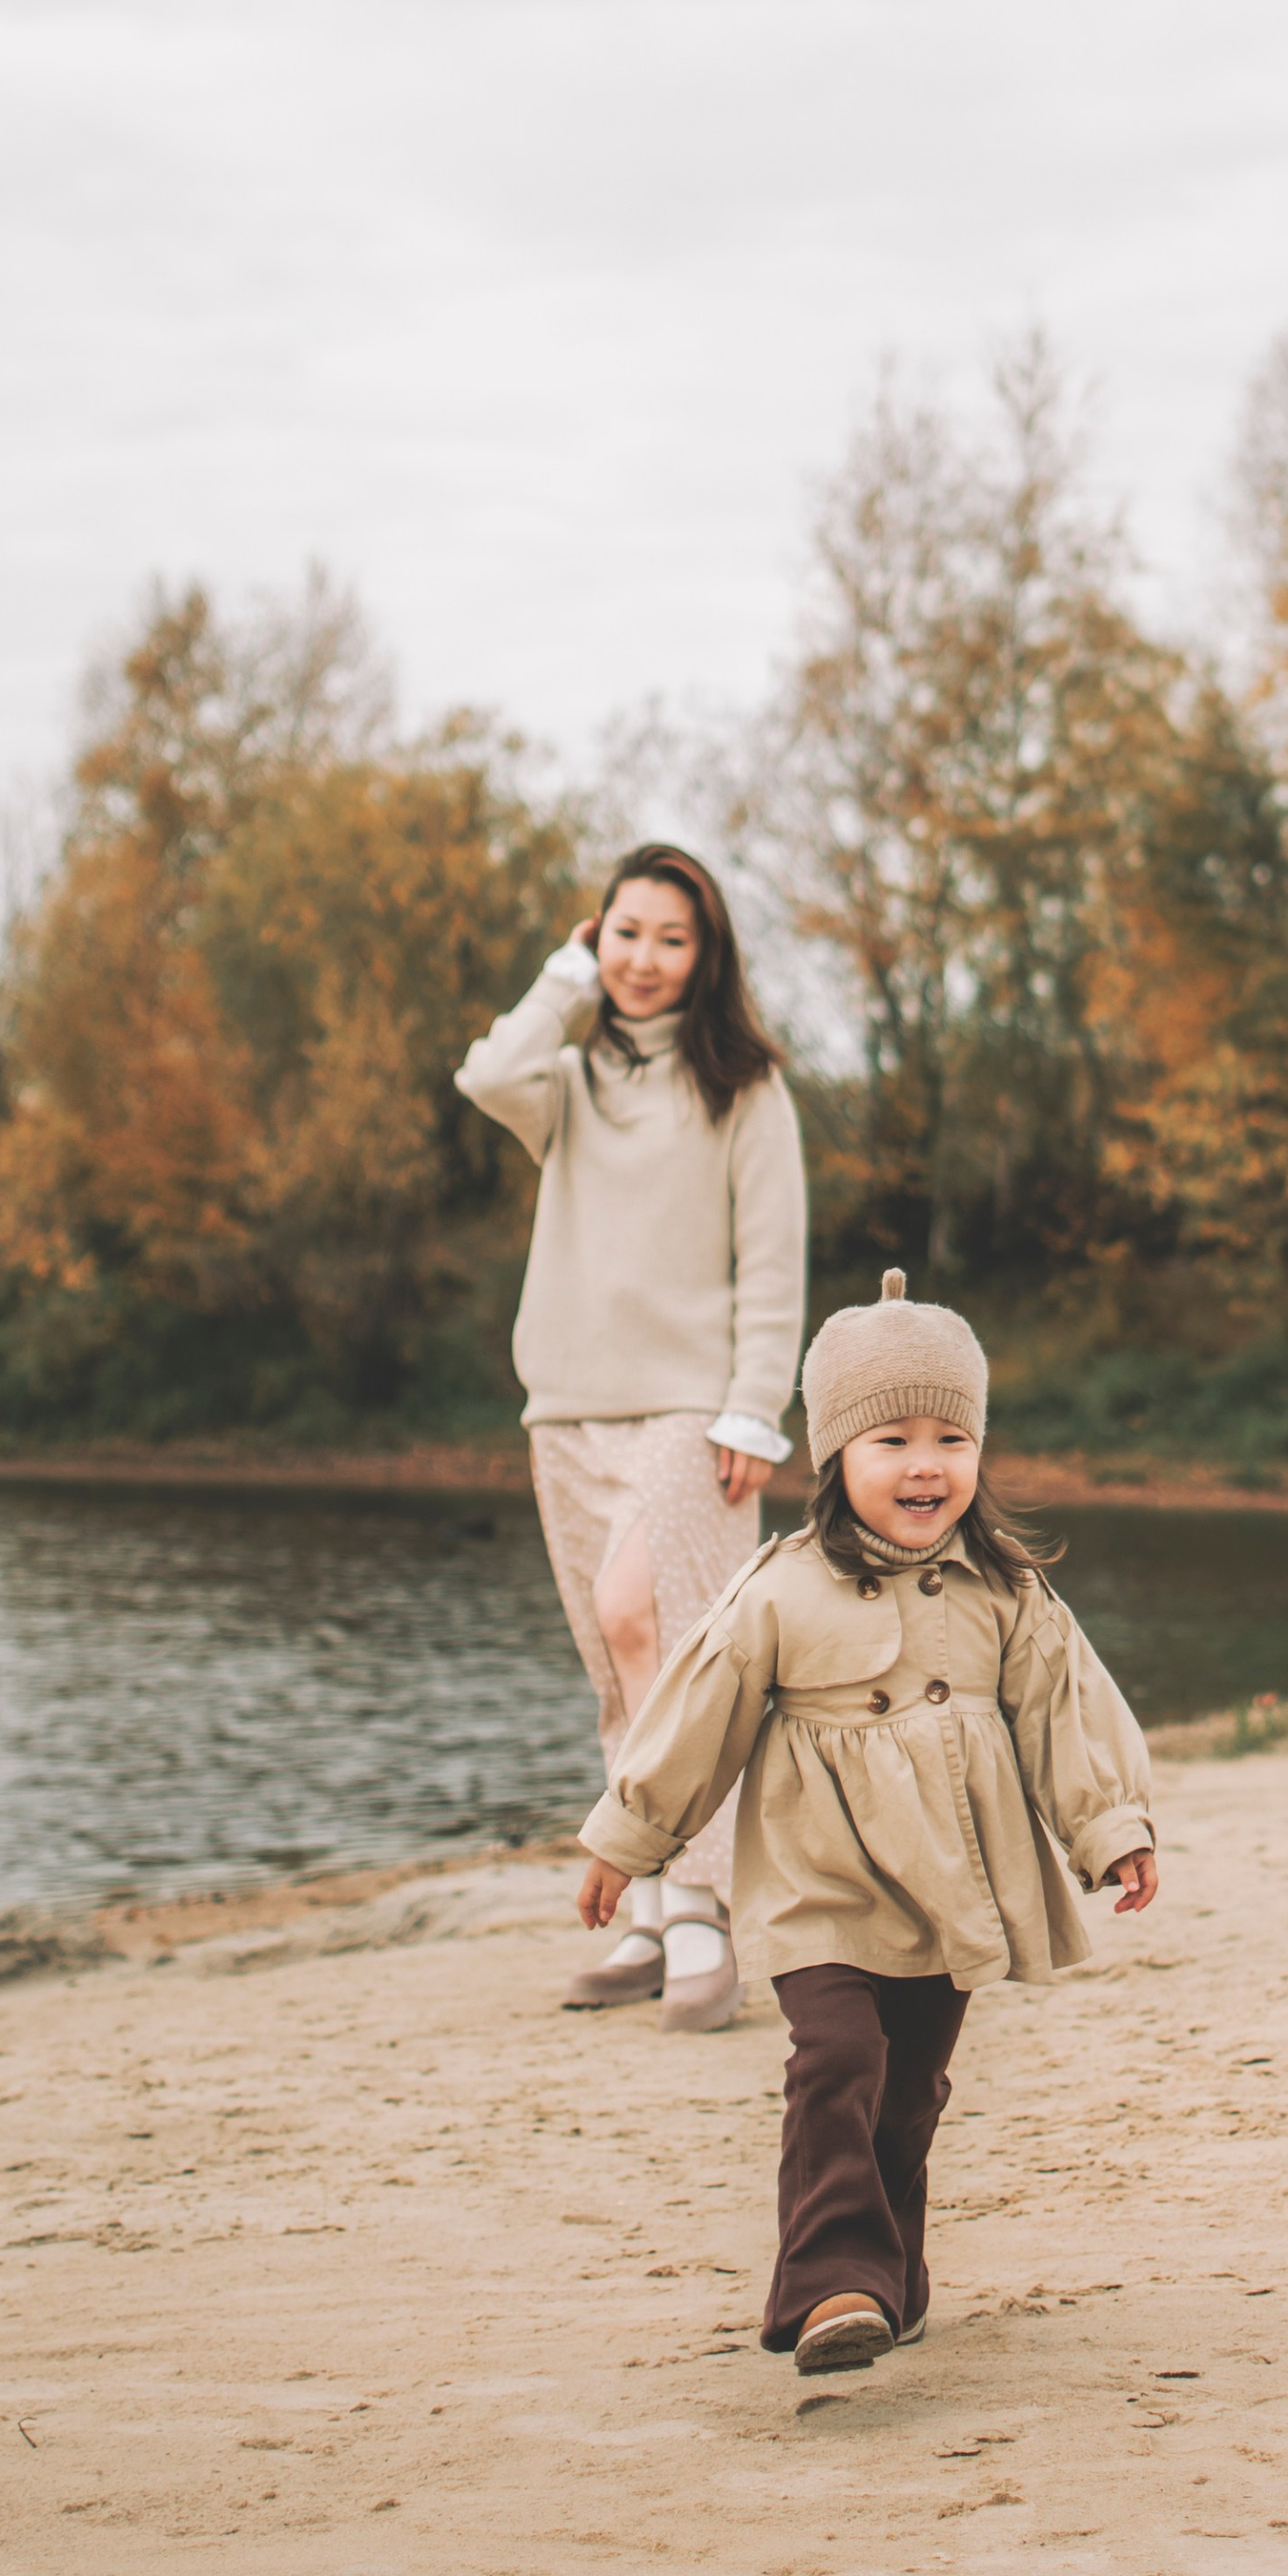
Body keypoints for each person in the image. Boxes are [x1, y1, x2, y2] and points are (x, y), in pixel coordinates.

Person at [572, 1271, 1159, 2374]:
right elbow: (698, 1717)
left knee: (907, 2093)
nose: (925, 1465)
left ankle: (892, 2272)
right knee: (837, 2058)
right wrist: (627, 1838)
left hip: (950, 1883)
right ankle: (832, 2280)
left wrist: (1110, 1827)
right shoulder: (780, 1590)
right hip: (819, 1881)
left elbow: (1064, 1715)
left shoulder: (1005, 1592)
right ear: (836, 1455)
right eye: (892, 1441)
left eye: (951, 1439)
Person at [458, 842, 807, 2029]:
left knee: (653, 1627)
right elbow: (487, 1072)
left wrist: (757, 1403)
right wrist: (563, 982)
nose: (645, 959)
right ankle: (652, 1906)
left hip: (692, 1409)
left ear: (706, 955)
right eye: (624, 934)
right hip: (565, 1404)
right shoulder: (564, 1081)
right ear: (593, 939)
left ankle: (703, 1908)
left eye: (671, 938)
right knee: (621, 1666)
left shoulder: (744, 1087)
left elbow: (773, 1259)